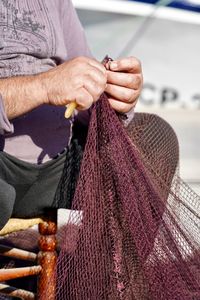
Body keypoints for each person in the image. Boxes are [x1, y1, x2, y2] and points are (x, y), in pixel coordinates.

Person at [0, 0, 143, 230]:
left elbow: (83, 97)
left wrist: (116, 94)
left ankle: (95, 266)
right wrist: (43, 86)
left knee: (154, 135)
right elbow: (54, 84)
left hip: (60, 171)